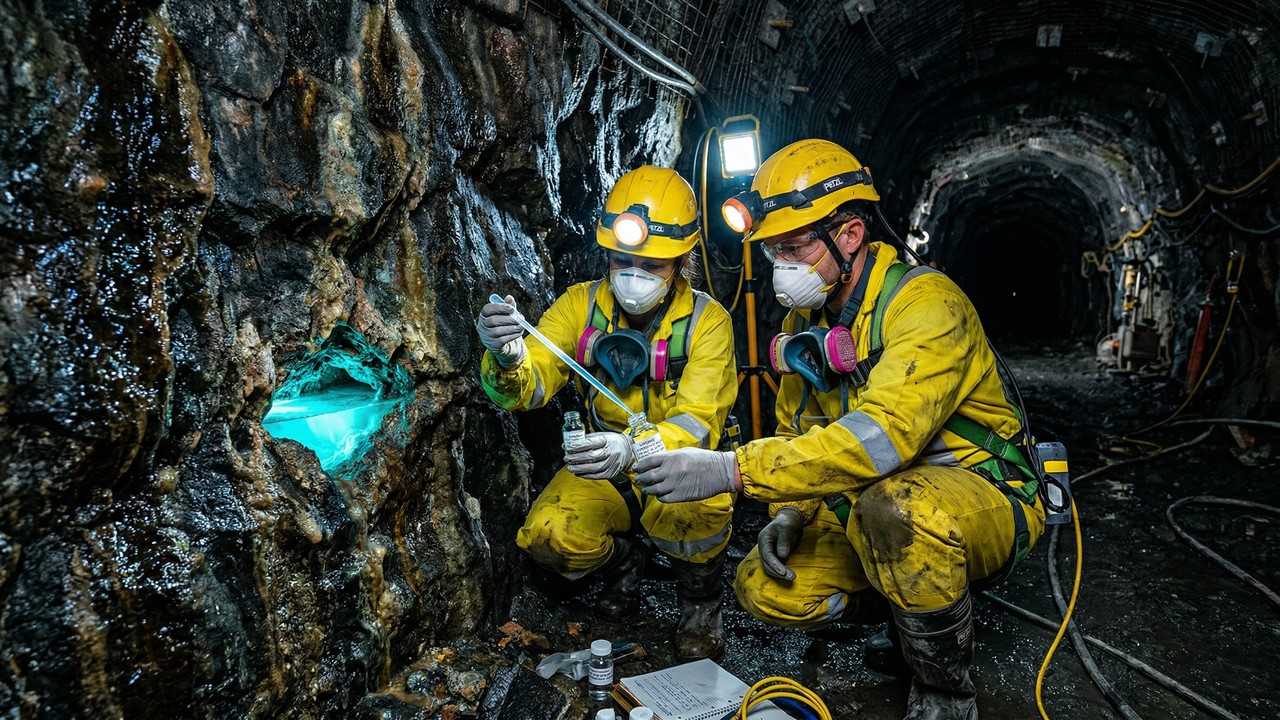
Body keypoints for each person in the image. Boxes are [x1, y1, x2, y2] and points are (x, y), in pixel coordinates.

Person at [633, 139, 1046, 718]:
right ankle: (908, 609)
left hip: (981, 495)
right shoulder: (809, 320)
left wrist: (731, 470)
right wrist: (792, 512)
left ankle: (944, 690)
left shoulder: (926, 304)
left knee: (894, 508)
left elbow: (883, 438)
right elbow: (801, 429)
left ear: (848, 235)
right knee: (761, 584)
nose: (782, 265)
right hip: (876, 501)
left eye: (794, 246)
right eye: (772, 250)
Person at [475, 165, 739, 659]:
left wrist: (633, 449)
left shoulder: (708, 323)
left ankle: (700, 603)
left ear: (681, 260)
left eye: (653, 265)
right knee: (548, 538)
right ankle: (625, 561)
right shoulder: (580, 306)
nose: (634, 274)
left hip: (675, 464)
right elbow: (528, 388)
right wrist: (508, 357)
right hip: (603, 464)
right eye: (623, 259)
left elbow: (699, 426)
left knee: (698, 510)